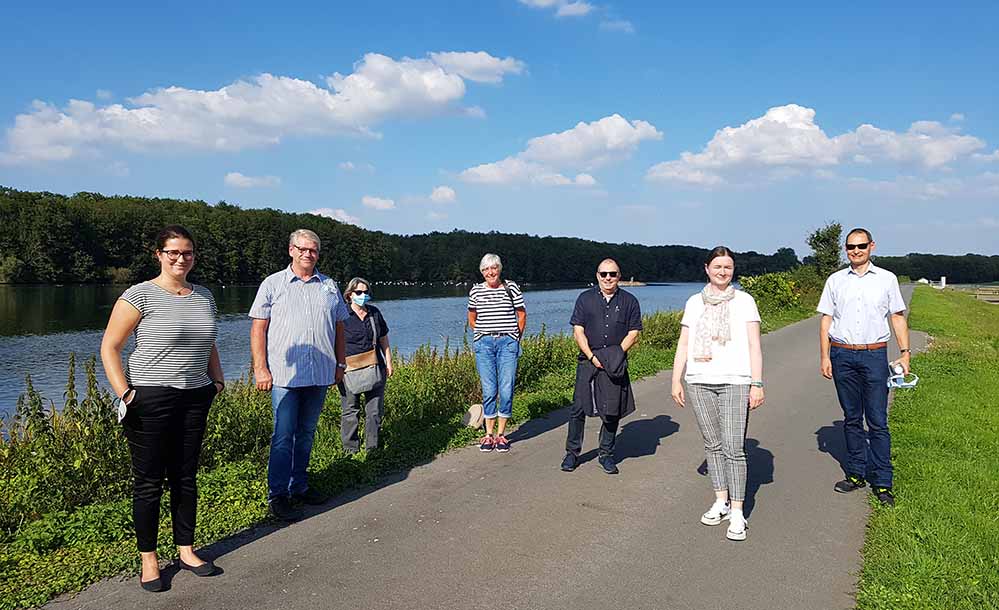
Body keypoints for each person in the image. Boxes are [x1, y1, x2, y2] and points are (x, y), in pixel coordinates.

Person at [100, 225, 224, 592]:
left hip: (195, 396)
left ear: (194, 256)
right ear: (158, 254)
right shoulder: (139, 296)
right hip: (150, 398)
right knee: (149, 482)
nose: (180, 258)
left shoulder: (204, 296)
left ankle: (186, 549)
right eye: (172, 252)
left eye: (186, 252)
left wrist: (217, 381)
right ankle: (149, 559)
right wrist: (126, 394)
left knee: (186, 478)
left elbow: (210, 343)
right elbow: (110, 347)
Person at [249, 229, 348, 521]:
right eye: (302, 249)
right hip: (284, 376)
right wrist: (260, 367)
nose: (308, 254)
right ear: (291, 250)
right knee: (282, 436)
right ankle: (277, 495)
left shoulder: (329, 285)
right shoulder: (273, 284)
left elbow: (340, 327)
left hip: (319, 374)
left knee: (305, 434)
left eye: (313, 250)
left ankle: (299, 486)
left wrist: (340, 364)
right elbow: (258, 328)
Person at [671, 246, 765, 541]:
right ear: (707, 268)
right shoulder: (694, 302)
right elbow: (684, 344)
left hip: (736, 381)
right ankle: (720, 501)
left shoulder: (745, 301)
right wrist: (676, 379)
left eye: (728, 267)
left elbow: (754, 346)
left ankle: (738, 513)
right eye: (718, 266)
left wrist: (757, 383)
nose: (723, 271)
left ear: (733, 270)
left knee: (734, 448)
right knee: (712, 445)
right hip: (699, 380)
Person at [818, 228, 909, 507]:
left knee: (878, 421)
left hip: (874, 355)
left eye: (860, 246)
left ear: (872, 246)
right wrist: (825, 357)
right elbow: (826, 320)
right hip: (842, 355)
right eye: (850, 247)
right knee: (852, 417)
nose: (855, 251)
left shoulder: (886, 279)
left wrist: (905, 354)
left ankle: (883, 483)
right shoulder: (835, 281)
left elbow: (896, 317)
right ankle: (856, 474)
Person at [561, 258, 642, 475]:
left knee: (612, 410)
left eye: (612, 274)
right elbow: (578, 330)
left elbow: (633, 333)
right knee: (578, 408)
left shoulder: (630, 301)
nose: (608, 278)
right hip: (588, 359)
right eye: (604, 274)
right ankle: (572, 453)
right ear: (597, 275)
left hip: (615, 361)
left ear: (619, 276)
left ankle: (606, 453)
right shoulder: (584, 299)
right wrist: (591, 356)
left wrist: (614, 355)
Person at [467, 253, 526, 452]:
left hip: (507, 343)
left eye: (494, 268)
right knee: (489, 389)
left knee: (507, 389)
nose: (490, 272)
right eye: (486, 269)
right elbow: (472, 317)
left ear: (499, 269)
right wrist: (482, 334)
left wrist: (514, 338)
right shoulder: (475, 291)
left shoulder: (511, 287)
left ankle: (502, 435)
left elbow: (521, 314)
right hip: (484, 345)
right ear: (482, 272)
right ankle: (488, 435)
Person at [338, 277, 393, 454]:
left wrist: (389, 361)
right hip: (349, 370)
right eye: (359, 292)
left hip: (375, 366)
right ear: (349, 295)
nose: (363, 295)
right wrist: (336, 368)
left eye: (366, 292)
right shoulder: (341, 315)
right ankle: (350, 450)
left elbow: (383, 338)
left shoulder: (374, 313)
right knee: (350, 411)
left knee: (374, 411)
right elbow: (333, 342)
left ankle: (372, 449)